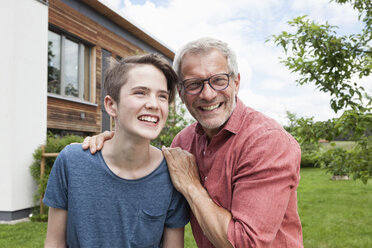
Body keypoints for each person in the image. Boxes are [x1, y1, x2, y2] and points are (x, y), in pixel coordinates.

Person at [84, 37, 303, 247]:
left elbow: (247, 244)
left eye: (218, 80)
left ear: (236, 82)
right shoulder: (183, 141)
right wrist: (116, 142)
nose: (207, 94)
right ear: (180, 91)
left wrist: (190, 185)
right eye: (194, 84)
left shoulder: (267, 141)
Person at [43, 53, 189, 248]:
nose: (154, 104)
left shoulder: (172, 174)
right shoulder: (71, 162)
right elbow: (54, 242)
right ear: (111, 105)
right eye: (140, 92)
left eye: (162, 96)